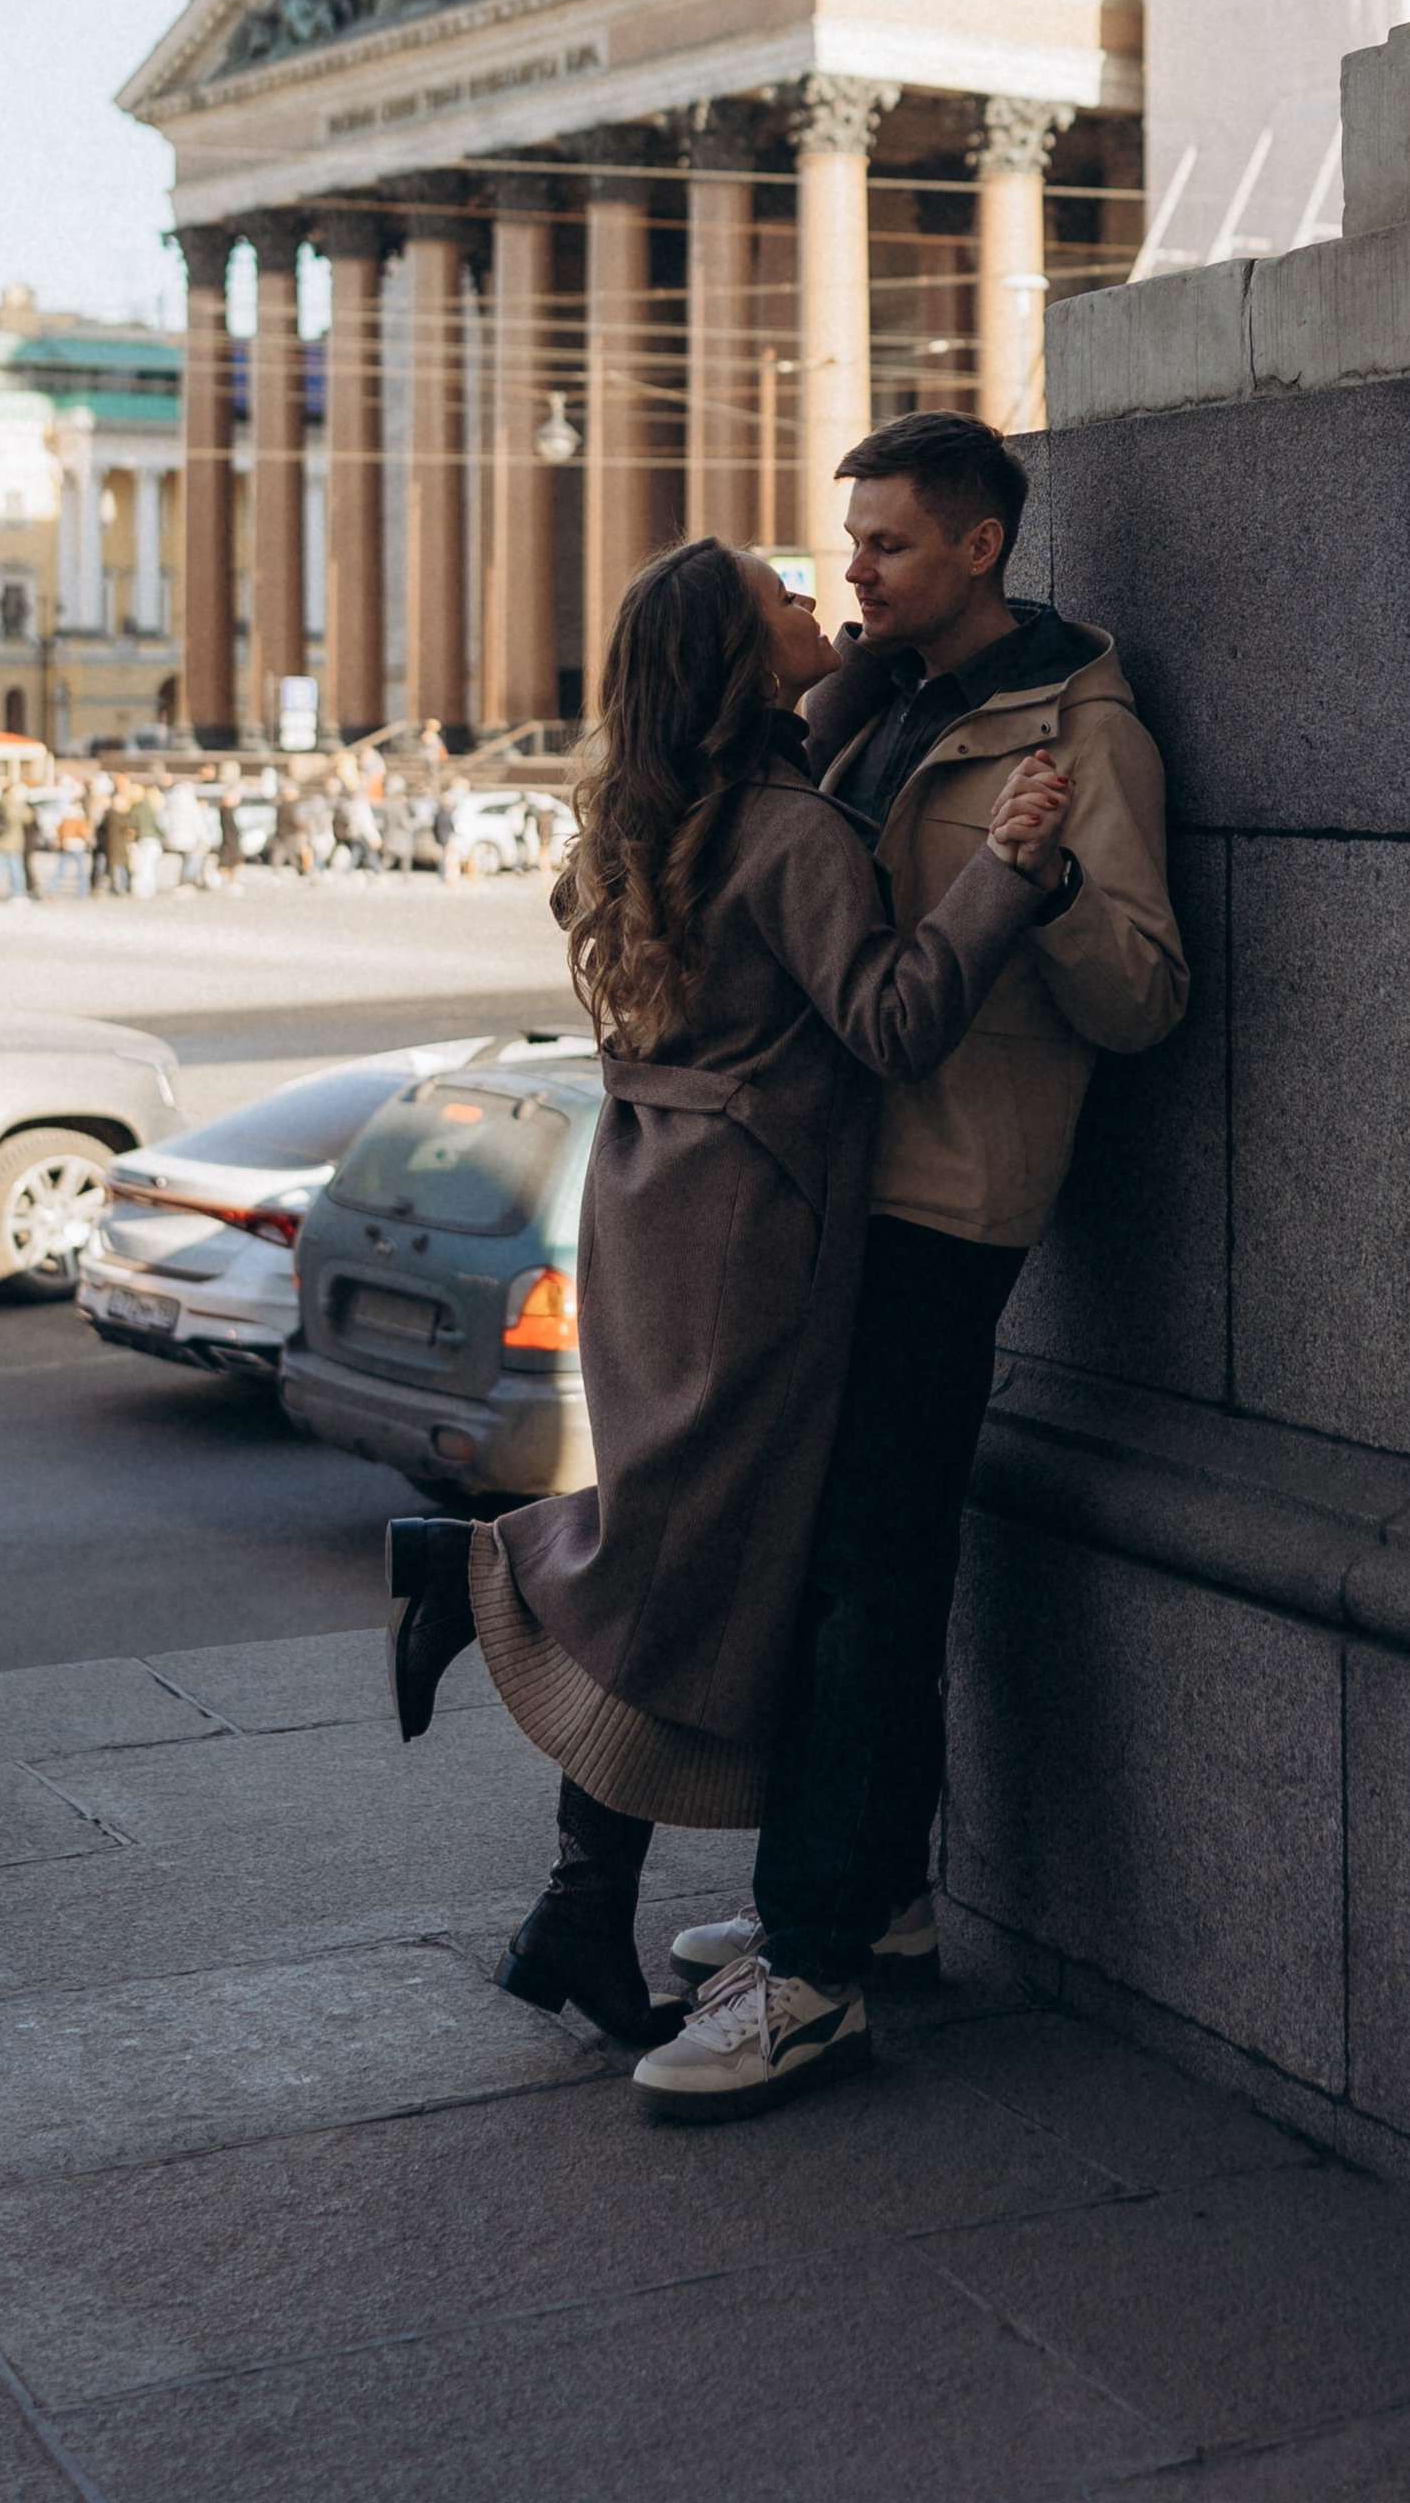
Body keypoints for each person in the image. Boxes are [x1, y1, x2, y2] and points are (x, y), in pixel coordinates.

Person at [381, 535, 1072, 2096]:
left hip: (643, 1200)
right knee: (683, 1541)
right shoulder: (791, 832)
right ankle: (487, 1576)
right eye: (785, 600)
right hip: (755, 1229)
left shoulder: (650, 821)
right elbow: (893, 1018)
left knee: (678, 1526)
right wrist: (1007, 880)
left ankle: (578, 1903)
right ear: (745, 661)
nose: (817, 600)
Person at [653, 409, 1187, 2102]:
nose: (853, 571)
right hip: (828, 1188)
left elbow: (1143, 997)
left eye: (885, 543)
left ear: (979, 547)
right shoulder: (866, 701)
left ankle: (810, 1971)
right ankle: (864, 1892)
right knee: (841, 1559)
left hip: (951, 1195)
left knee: (867, 1571)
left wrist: (1051, 871)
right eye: (846, 543)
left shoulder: (1082, 729)